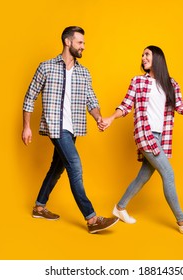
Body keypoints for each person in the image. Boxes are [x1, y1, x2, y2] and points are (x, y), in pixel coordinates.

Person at [99, 45, 183, 234]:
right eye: (142, 55)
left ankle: (119, 208)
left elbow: (181, 107)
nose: (143, 57)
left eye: (147, 54)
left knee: (143, 176)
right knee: (168, 174)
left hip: (162, 136)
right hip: (145, 133)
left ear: (158, 59)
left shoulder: (171, 84)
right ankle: (182, 222)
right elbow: (126, 105)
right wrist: (111, 118)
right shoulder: (137, 81)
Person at [22, 26, 118, 234]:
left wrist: (98, 117)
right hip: (56, 128)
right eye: (80, 42)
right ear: (68, 42)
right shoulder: (46, 67)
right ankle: (92, 219)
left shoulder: (84, 72)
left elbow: (91, 100)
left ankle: (39, 206)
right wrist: (26, 127)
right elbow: (30, 97)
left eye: (83, 43)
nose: (83, 46)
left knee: (57, 168)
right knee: (75, 165)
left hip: (73, 129)